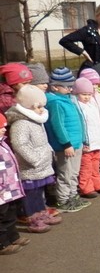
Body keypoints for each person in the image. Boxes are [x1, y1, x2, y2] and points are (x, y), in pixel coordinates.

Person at [6, 85, 60, 234]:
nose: (42, 110)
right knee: (31, 194)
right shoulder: (21, 123)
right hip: (31, 166)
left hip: (41, 164)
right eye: (38, 107)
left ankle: (42, 213)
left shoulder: (35, 119)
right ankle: (33, 218)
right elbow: (20, 144)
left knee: (39, 192)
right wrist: (34, 159)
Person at [44, 67, 90, 213]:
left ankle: (73, 196)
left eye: (71, 86)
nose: (70, 89)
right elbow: (58, 125)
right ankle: (63, 200)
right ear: (55, 87)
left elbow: (79, 120)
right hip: (66, 146)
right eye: (67, 87)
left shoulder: (68, 99)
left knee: (74, 172)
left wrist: (83, 140)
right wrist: (66, 144)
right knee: (65, 173)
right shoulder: (55, 102)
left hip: (76, 143)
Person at [73, 77, 100, 198]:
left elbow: (99, 123)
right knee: (86, 167)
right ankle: (86, 188)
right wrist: (83, 142)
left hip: (96, 141)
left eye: (89, 94)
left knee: (95, 165)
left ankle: (98, 184)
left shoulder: (92, 105)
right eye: (84, 94)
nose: (87, 97)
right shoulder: (78, 107)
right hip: (87, 143)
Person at [0, 112, 30, 255]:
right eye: (1, 127)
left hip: (10, 188)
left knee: (10, 214)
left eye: (4, 126)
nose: (4, 129)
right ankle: (3, 243)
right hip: (1, 191)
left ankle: (13, 236)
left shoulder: (3, 143)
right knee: (1, 217)